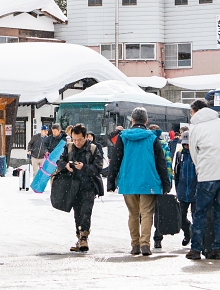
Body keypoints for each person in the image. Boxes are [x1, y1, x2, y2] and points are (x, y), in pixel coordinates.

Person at [107, 107, 171, 257]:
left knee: (133, 214)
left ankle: (135, 245)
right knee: (147, 213)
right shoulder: (152, 138)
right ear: (146, 121)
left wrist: (111, 181)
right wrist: (165, 182)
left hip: (128, 181)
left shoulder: (123, 137)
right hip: (149, 181)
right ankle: (145, 245)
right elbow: (160, 162)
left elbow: (115, 160)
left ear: (132, 120)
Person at [186, 99, 220, 260]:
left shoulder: (196, 128)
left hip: (207, 175)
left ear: (196, 111)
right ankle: (219, 248)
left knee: (200, 213)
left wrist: (201, 167)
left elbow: (194, 153)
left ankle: (196, 249)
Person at [55, 123, 104, 252]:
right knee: (77, 213)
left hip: (89, 186)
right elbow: (59, 161)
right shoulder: (69, 147)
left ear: (86, 137)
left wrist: (84, 167)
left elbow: (98, 168)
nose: (77, 142)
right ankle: (79, 237)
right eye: (74, 139)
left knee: (86, 212)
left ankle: (84, 238)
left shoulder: (93, 149)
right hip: (73, 186)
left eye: (80, 139)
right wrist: (66, 166)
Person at [149, 124, 174, 249]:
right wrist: (168, 182)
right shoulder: (163, 144)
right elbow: (168, 164)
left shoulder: (146, 143)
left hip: (146, 182)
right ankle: (157, 238)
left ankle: (144, 238)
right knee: (159, 212)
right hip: (159, 182)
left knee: (145, 212)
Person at [172, 132, 196, 246]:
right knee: (180, 217)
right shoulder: (179, 154)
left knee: (197, 217)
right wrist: (177, 189)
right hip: (182, 191)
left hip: (196, 191)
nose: (187, 146)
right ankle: (188, 232)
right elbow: (177, 173)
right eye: (185, 144)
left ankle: (196, 240)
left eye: (189, 144)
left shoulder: (199, 155)